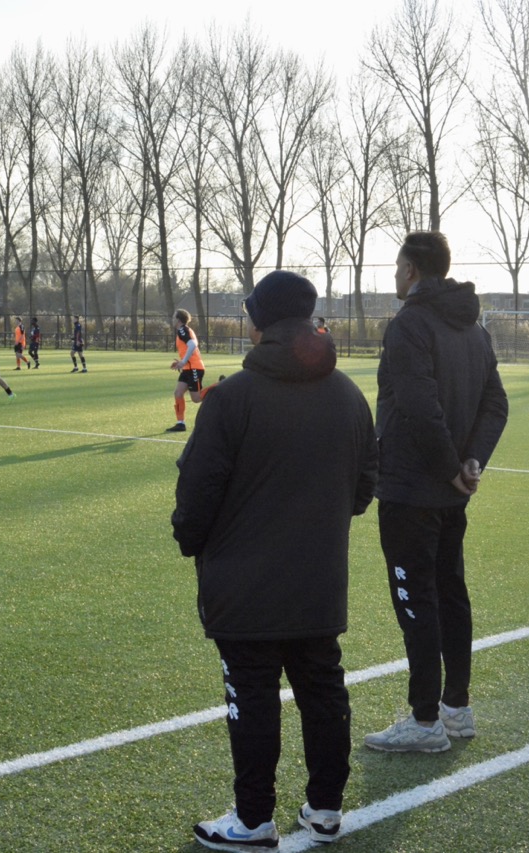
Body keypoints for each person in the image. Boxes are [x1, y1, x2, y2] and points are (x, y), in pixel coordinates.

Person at [172, 270, 378, 852]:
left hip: (245, 584)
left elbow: (195, 498)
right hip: (318, 580)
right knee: (323, 689)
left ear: (258, 321)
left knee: (254, 693)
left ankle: (254, 817)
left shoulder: (233, 398)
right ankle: (324, 810)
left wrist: (193, 543)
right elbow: (365, 487)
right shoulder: (347, 394)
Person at [363, 231, 509, 755]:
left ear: (412, 270)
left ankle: (425, 720)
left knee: (416, 598)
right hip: (450, 492)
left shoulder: (409, 325)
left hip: (412, 488)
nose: (394, 274)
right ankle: (457, 708)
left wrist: (453, 467)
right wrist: (471, 463)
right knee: (450, 592)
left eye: (397, 265)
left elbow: (419, 406)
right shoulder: (474, 329)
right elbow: (497, 405)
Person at [166, 309, 214, 433]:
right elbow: (191, 345)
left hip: (194, 368)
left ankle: (220, 385)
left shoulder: (182, 330)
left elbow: (193, 345)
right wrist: (182, 362)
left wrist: (183, 361)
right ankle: (180, 423)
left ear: (178, 319)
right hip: (188, 368)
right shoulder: (183, 330)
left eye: (173, 317)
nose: (172, 319)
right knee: (178, 393)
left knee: (196, 398)